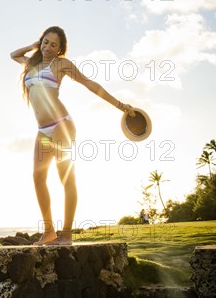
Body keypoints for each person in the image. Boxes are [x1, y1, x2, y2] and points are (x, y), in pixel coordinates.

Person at [10, 26, 136, 245]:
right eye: (45, 42)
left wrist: (121, 106)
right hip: (43, 131)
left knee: (66, 178)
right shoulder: (31, 63)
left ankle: (66, 234)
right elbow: (14, 55)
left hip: (62, 126)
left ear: (61, 49)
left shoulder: (62, 65)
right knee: (38, 178)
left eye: (53, 44)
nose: (48, 47)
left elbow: (91, 85)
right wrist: (34, 46)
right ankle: (49, 232)